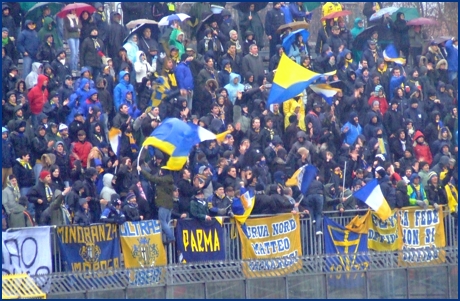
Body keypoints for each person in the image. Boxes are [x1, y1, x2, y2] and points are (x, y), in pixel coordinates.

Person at [138, 163, 175, 243]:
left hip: (163, 204)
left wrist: (141, 171)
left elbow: (152, 178)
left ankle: (171, 238)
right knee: (167, 222)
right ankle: (168, 239)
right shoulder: (169, 179)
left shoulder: (163, 180)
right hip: (169, 204)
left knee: (162, 221)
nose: (160, 172)